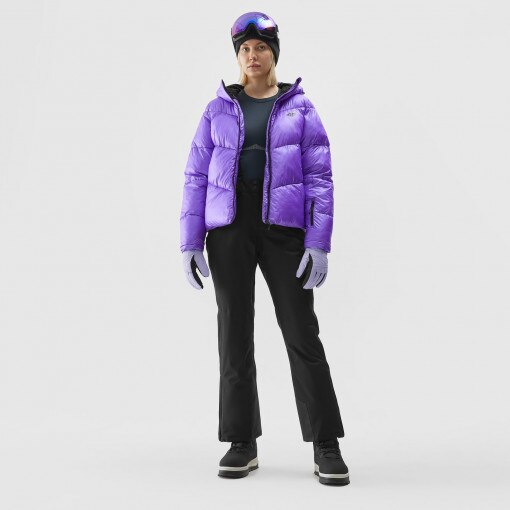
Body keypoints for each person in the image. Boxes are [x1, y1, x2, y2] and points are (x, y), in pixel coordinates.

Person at [180, 12, 349, 486]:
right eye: (245, 50)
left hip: (283, 229)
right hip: (229, 228)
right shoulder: (218, 109)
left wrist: (318, 241)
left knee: (301, 332)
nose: (252, 56)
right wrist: (191, 240)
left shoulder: (300, 109)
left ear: (274, 53)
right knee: (234, 333)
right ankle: (241, 441)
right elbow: (196, 175)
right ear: (237, 57)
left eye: (261, 48)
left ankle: (325, 442)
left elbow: (320, 178)